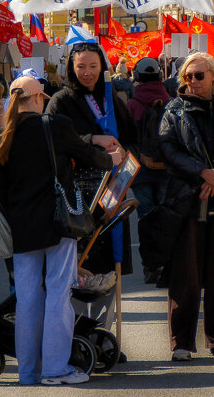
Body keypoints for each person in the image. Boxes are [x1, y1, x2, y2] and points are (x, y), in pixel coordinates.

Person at [0, 75, 119, 386]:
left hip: (22, 228)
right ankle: (55, 368)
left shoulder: (5, 135)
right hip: (58, 222)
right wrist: (112, 159)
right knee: (58, 295)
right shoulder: (54, 124)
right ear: (37, 98)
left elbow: (3, 189)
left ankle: (28, 372)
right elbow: (87, 155)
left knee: (27, 300)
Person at [158, 53, 214, 361]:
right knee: (186, 273)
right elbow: (167, 147)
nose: (192, 82)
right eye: (187, 76)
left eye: (197, 75)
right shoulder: (175, 108)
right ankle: (181, 342)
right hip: (187, 195)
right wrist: (200, 172)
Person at [46, 42, 136, 277]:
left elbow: (131, 135)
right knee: (80, 263)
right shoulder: (61, 100)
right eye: (81, 66)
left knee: (109, 265)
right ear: (71, 68)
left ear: (102, 67)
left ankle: (104, 313)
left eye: (93, 66)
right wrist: (92, 139)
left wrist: (125, 153)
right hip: (77, 192)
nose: (87, 72)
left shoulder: (111, 96)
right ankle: (74, 314)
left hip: (111, 188)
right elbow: (53, 140)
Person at [126, 57, 172, 282]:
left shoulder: (133, 105)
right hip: (165, 169)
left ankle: (151, 267)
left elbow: (126, 138)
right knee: (165, 217)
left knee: (146, 219)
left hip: (140, 171)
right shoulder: (169, 101)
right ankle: (167, 263)